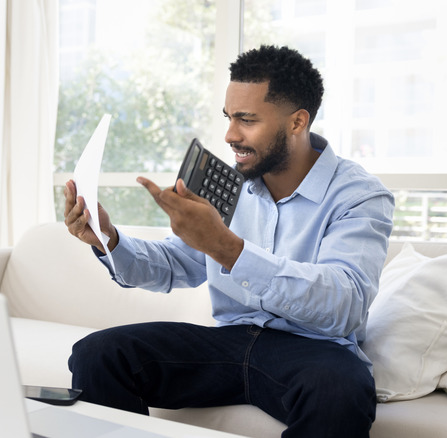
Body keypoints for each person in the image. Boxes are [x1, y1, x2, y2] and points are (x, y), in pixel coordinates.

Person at [63, 45, 394, 437]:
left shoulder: (358, 195)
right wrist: (108, 239)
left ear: (297, 122)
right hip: (230, 341)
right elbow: (176, 264)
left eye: (246, 120)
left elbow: (345, 303)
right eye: (229, 117)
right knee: (99, 354)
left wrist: (227, 248)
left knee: (341, 390)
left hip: (313, 350)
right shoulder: (232, 184)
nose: (230, 135)